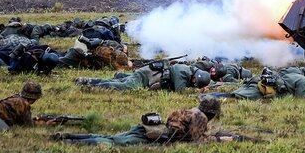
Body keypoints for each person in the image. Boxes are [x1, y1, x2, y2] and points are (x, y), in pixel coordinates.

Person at [52, 98, 227, 145]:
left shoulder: (192, 111)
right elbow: (197, 141)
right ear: (212, 113)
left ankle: (67, 135)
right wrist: (219, 139)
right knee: (112, 143)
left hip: (146, 129)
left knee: (110, 136)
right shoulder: (201, 117)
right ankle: (68, 141)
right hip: (151, 136)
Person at [74, 61, 211, 92]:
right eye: (194, 81)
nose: (193, 82)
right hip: (145, 76)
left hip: (146, 74)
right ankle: (91, 86)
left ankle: (87, 80)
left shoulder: (187, 71)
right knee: (125, 86)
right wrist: (197, 91)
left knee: (119, 80)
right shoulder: (183, 72)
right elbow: (180, 91)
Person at [205, 65, 305, 101]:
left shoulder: (297, 74)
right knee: (235, 95)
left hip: (259, 81)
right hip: (261, 88)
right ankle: (205, 96)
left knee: (236, 92)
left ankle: (209, 94)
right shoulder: (303, 83)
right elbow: (300, 100)